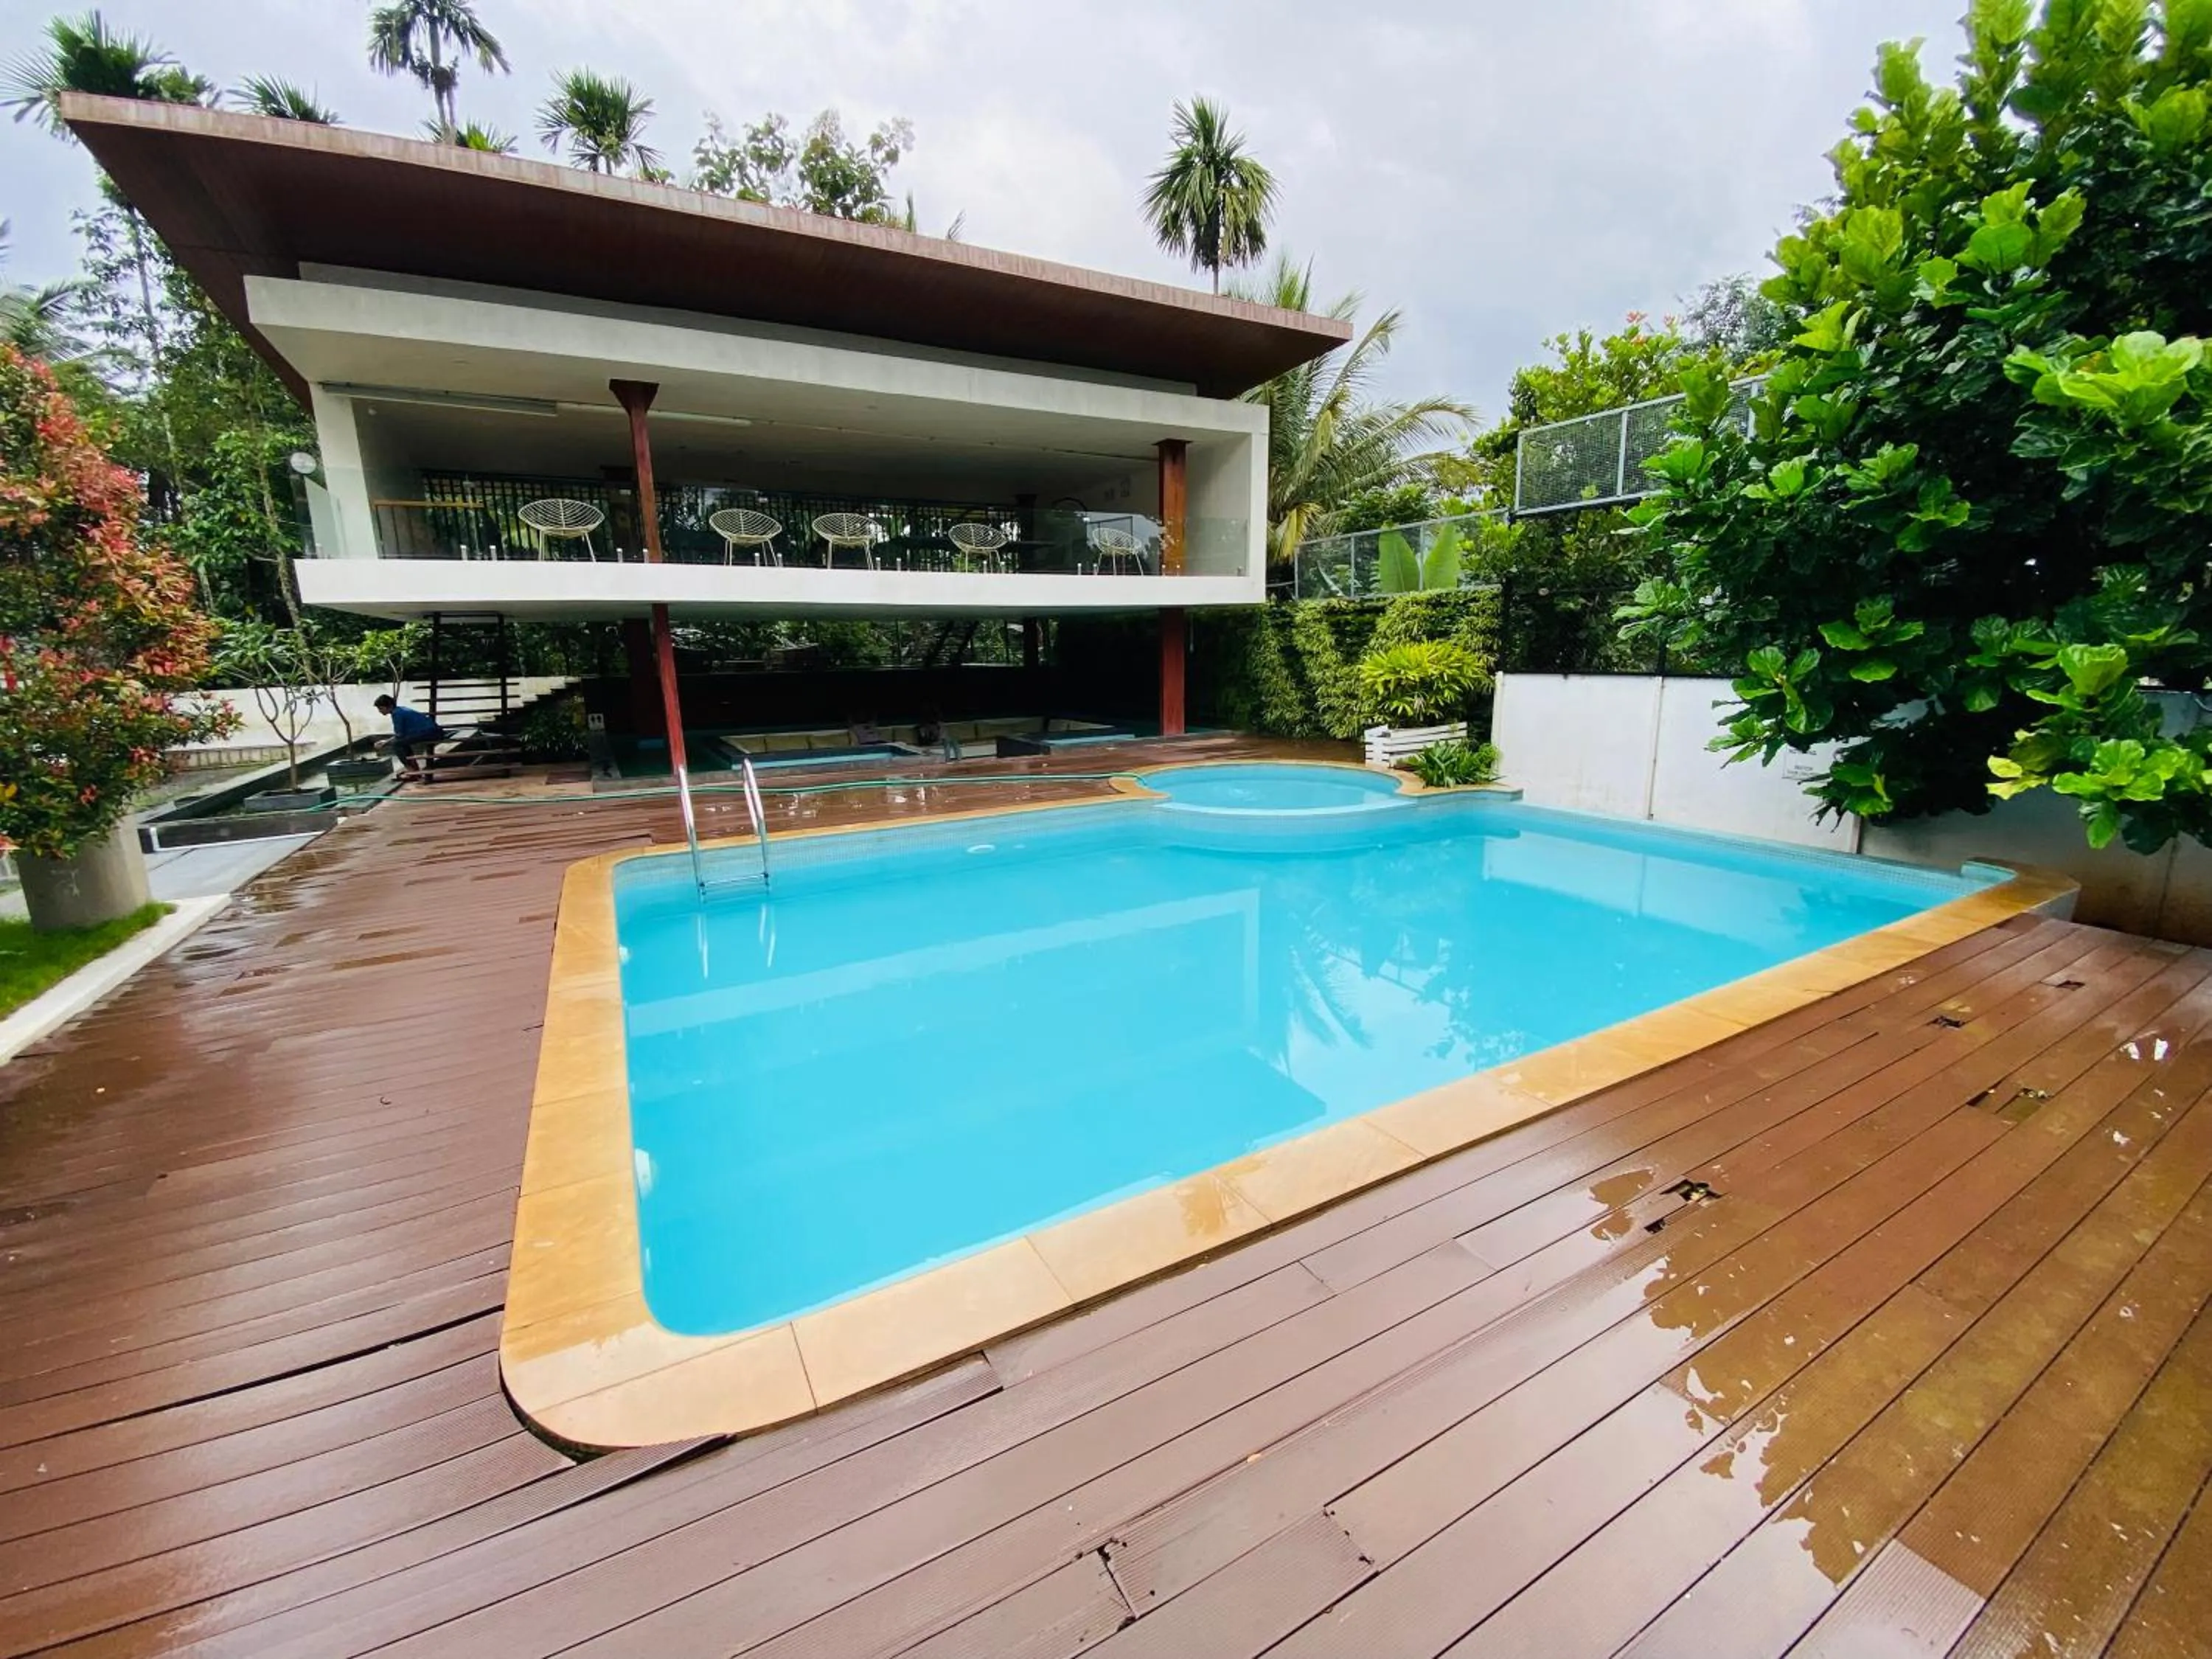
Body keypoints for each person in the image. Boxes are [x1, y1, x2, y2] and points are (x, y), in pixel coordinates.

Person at [375, 694, 448, 779]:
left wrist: (385, 743)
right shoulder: (400, 710)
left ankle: (412, 771)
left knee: (397, 744)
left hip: (431, 733)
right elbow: (400, 735)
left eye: (381, 708)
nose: (380, 711)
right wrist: (386, 741)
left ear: (389, 706)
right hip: (434, 732)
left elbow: (399, 735)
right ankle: (414, 770)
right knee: (402, 743)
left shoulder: (397, 714)